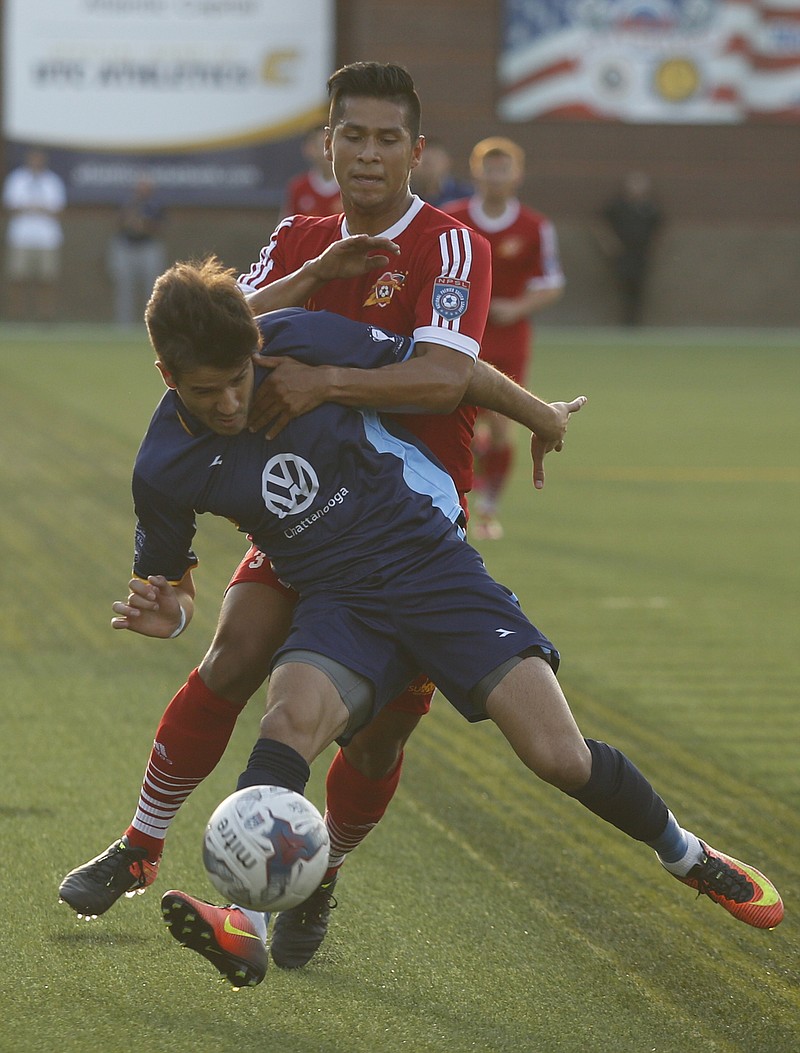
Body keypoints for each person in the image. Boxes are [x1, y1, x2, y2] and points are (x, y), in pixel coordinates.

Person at [108, 257, 780, 990]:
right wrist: (167, 617)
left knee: (559, 756)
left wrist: (541, 415)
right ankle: (246, 922)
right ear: (167, 376)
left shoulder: (293, 337)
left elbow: (448, 371)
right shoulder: (163, 464)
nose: (234, 401)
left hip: (430, 565)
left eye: (242, 378)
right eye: (210, 392)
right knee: (287, 721)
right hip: (337, 599)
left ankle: (688, 853)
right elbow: (172, 591)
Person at [58, 61, 573, 969]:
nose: (367, 154)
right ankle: (141, 845)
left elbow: (444, 371)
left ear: (414, 152)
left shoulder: (447, 246)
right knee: (232, 653)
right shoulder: (298, 233)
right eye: (351, 135)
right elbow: (212, 331)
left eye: (385, 139)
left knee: (375, 740)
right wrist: (312, 272)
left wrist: (534, 413)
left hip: (410, 519)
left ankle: (318, 872)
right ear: (327, 143)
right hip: (296, 507)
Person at [446, 137, 565, 540]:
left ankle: (489, 507)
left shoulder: (534, 226)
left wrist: (516, 308)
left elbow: (551, 283)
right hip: (460, 333)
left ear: (518, 175)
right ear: (476, 172)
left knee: (500, 426)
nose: (496, 176)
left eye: (504, 168)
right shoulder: (452, 218)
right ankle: (454, 501)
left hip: (509, 339)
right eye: (488, 168)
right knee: (454, 421)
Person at [2, 148, 67, 322]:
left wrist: (41, 209)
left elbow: (59, 210)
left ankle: (46, 316)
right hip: (20, 238)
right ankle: (16, 315)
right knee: (17, 278)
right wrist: (28, 207)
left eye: (39, 159)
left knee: (47, 279)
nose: (36, 162)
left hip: (47, 239)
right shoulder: (16, 180)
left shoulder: (52, 181)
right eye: (33, 159)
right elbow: (9, 206)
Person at [597, 171, 662, 327]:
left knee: (639, 287)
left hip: (641, 254)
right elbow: (599, 224)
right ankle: (624, 321)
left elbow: (660, 228)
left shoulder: (650, 208)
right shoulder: (617, 206)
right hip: (623, 254)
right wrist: (608, 243)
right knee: (622, 285)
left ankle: (635, 321)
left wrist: (654, 248)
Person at [108, 177, 167, 326]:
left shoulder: (156, 205)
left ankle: (152, 323)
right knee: (124, 287)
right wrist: (129, 221)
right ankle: (124, 324)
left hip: (148, 246)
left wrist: (144, 226)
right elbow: (117, 222)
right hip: (127, 246)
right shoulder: (128, 203)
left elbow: (161, 227)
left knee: (153, 288)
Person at [280, 126, 342, 219]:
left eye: (331, 145)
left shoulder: (351, 187)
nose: (327, 150)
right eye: (322, 145)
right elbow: (287, 228)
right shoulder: (298, 188)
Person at [409, 137, 471, 209]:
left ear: (448, 161)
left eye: (435, 161)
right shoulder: (408, 198)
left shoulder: (464, 196)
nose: (430, 168)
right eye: (426, 163)